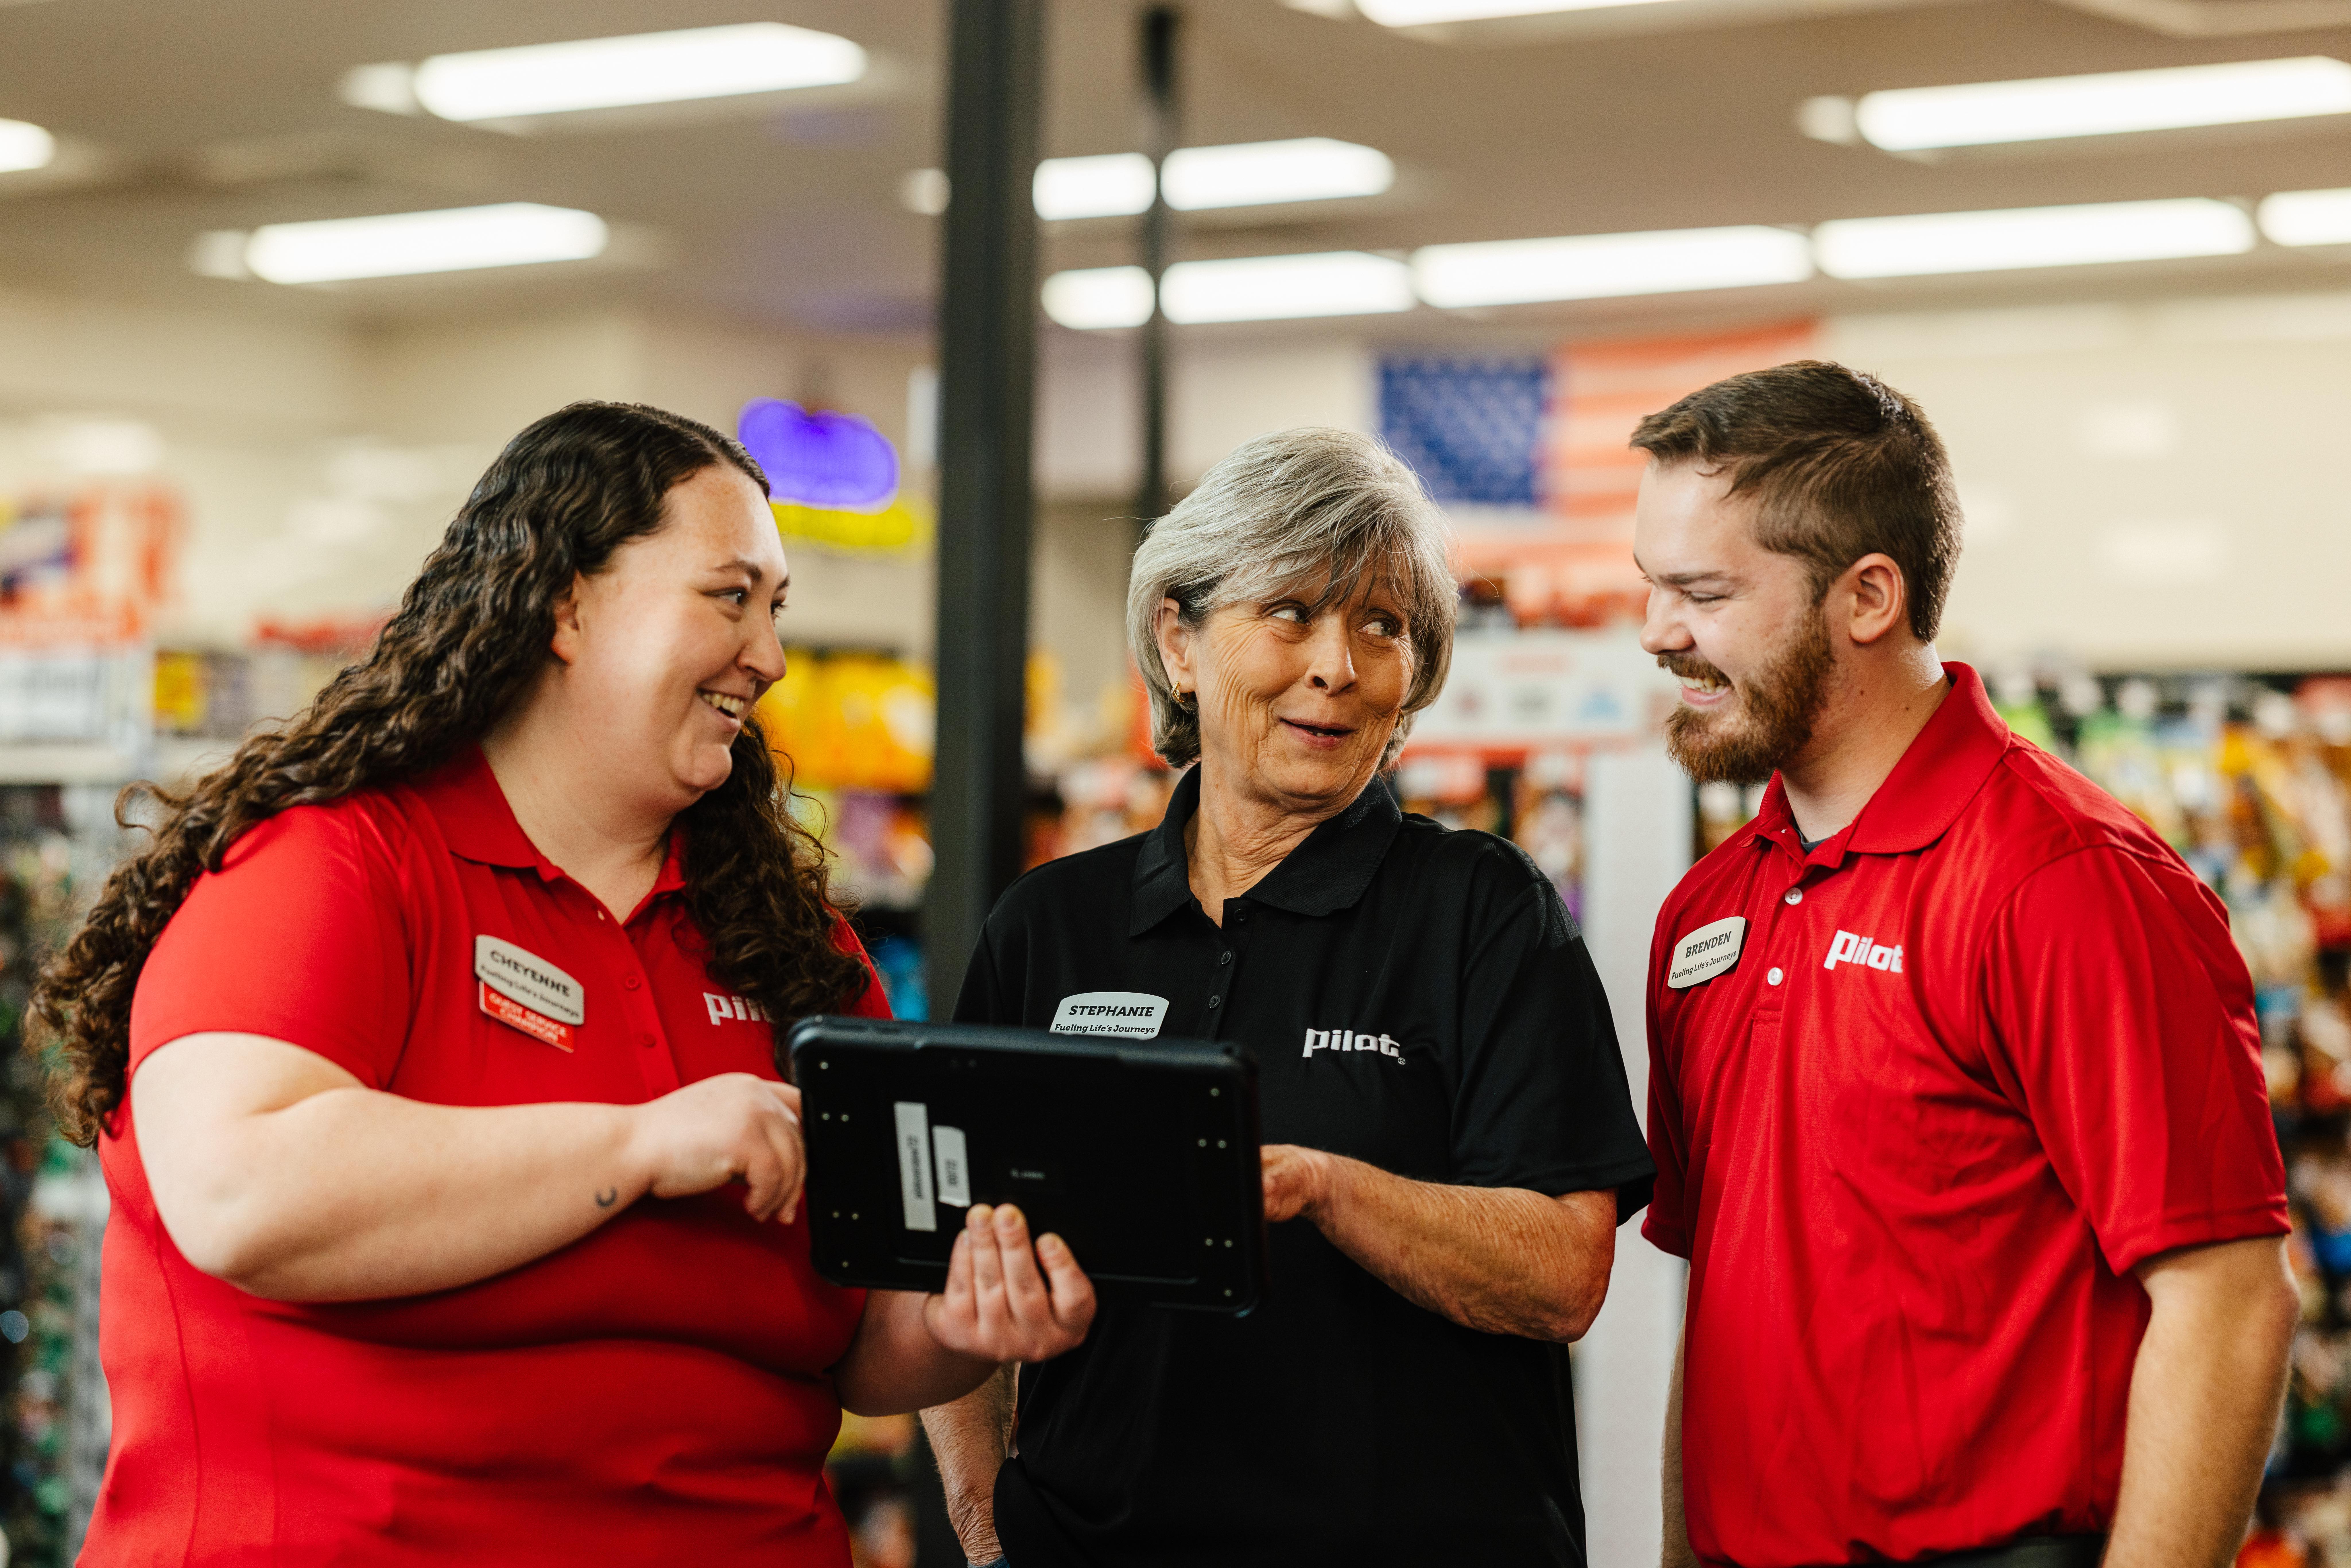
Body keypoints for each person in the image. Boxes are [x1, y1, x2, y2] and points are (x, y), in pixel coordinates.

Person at [34, 402, 1096, 1567]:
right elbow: (240, 1192)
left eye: (774, 607)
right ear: (564, 603)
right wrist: (638, 1144)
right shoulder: (338, 866)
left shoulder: (793, 949)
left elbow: (865, 1332)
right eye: (728, 595)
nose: (770, 654)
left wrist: (960, 1323)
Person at [923, 427, 1655, 1568]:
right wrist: (981, 1525)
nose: (1337, 665)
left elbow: (1562, 1272)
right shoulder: (1049, 927)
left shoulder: (1479, 911)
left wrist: (1322, 1187)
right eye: (1290, 612)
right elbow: (945, 1263)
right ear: (1178, 638)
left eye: (1383, 626)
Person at [1631, 362, 2296, 1568]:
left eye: (1702, 592)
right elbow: (1721, 1308)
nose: (1656, 632)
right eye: (1651, 587)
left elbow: (2229, 1303)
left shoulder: (2062, 885)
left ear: (1867, 596)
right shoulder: (1702, 915)